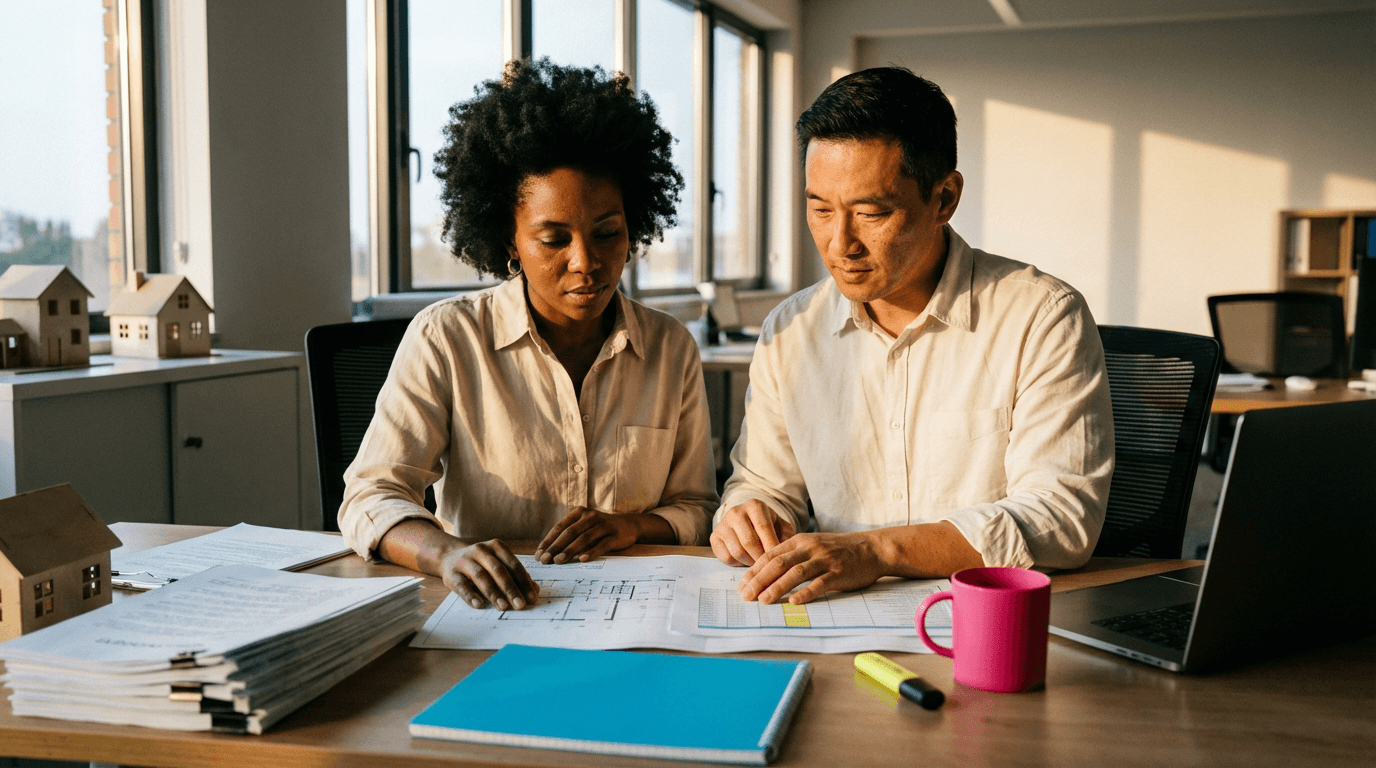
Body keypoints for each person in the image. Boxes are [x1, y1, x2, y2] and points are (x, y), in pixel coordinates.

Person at [710, 67, 1114, 605]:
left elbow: (1062, 516)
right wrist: (748, 514)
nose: (839, 243)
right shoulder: (790, 330)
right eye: (820, 209)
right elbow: (761, 483)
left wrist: (877, 552)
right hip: (834, 619)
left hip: (988, 623)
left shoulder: (1041, 317)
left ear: (944, 198)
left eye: (871, 212)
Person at [340, 59, 718, 612]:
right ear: (510, 241)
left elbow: (698, 507)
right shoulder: (448, 339)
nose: (586, 262)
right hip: (491, 615)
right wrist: (447, 554)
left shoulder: (669, 347)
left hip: (635, 616)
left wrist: (631, 526)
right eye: (553, 239)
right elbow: (371, 495)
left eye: (607, 233)